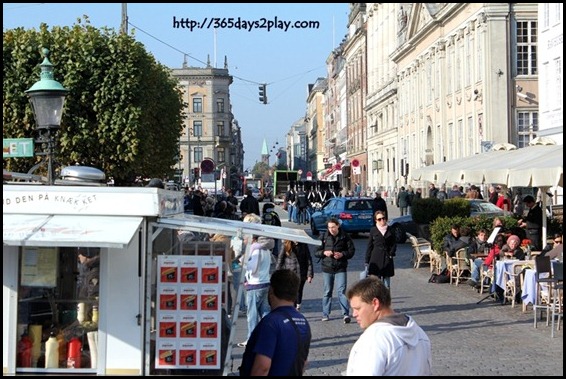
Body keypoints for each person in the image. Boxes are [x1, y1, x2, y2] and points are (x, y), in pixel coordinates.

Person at [345, 276, 432, 376]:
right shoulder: (419, 333)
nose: (354, 314)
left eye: (358, 308)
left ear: (375, 303)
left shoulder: (373, 341)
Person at [239, 269, 312, 376]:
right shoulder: (303, 322)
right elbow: (304, 362)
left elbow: (262, 367)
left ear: (271, 291)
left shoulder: (271, 323)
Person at [238, 213, 274, 348]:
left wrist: (243, 262)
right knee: (264, 312)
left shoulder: (255, 250)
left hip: (255, 284)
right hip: (265, 282)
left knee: (252, 314)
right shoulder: (265, 249)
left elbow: (252, 269)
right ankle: (269, 336)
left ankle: (252, 338)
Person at [314, 217, 356, 323]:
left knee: (341, 291)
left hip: (340, 267)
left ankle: (345, 314)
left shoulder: (345, 236)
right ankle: (325, 314)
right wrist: (324, 253)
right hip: (327, 267)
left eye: (333, 227)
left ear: (338, 226)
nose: (331, 229)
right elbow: (316, 252)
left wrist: (342, 254)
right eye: (329, 227)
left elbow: (351, 251)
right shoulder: (323, 236)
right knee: (327, 291)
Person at [276, 240, 314, 310]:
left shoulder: (303, 245)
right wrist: (277, 274)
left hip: (302, 272)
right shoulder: (285, 244)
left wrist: (310, 274)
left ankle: (298, 305)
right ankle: (293, 308)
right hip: (290, 273)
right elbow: (280, 259)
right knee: (291, 292)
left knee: (299, 290)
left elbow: (308, 259)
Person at [365, 211, 397, 289]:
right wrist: (367, 260)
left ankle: (386, 300)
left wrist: (391, 254)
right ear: (376, 220)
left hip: (387, 258)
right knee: (377, 285)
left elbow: (394, 244)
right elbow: (369, 246)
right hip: (375, 258)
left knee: (387, 285)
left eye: (383, 218)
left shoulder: (390, 229)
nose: (382, 220)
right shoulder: (373, 230)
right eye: (379, 219)